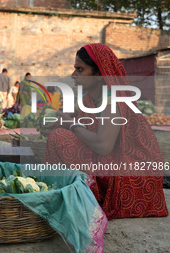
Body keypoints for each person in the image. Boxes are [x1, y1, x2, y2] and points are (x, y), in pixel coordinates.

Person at [44, 43, 168, 219]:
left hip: (129, 171)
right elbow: (86, 121)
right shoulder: (92, 96)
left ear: (100, 73)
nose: (73, 75)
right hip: (111, 161)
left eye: (80, 69)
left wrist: (70, 124)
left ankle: (89, 197)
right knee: (61, 135)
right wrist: (63, 120)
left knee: (61, 137)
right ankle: (79, 193)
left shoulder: (112, 100)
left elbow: (103, 146)